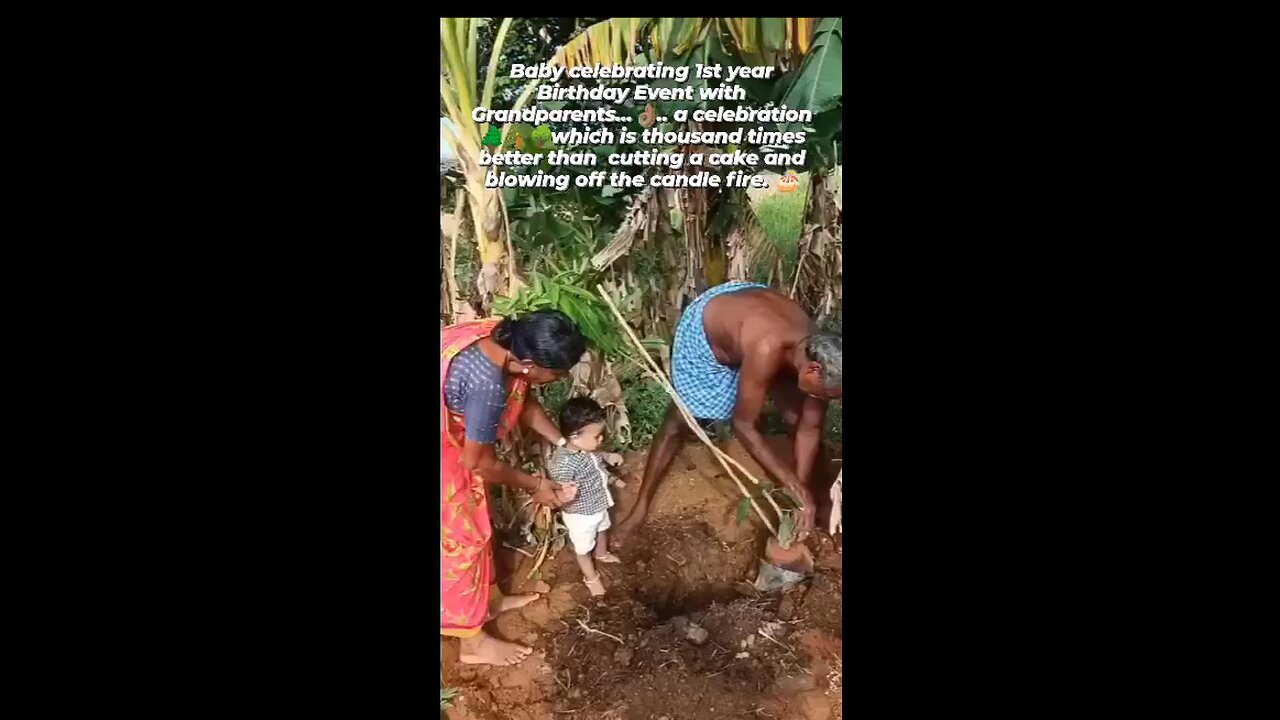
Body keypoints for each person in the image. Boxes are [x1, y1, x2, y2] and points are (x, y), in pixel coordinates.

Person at [613, 281, 842, 547]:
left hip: (753, 314)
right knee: (681, 419)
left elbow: (809, 428)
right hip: (712, 325)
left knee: (796, 416)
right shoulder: (768, 347)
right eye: (826, 395)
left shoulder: (822, 353)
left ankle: (818, 501)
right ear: (812, 370)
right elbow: (743, 425)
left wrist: (800, 493)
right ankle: (640, 508)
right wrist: (792, 485)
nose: (825, 400)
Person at [440, 310, 587, 666]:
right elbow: (481, 464)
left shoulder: (504, 333)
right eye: (557, 373)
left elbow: (523, 399)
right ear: (527, 364)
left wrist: (564, 443)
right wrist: (536, 485)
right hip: (448, 455)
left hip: (460, 444)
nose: (561, 378)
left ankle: (487, 602)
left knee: (478, 522)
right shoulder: (485, 387)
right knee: (461, 539)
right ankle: (471, 643)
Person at [547, 397, 626, 597]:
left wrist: (612, 474)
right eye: (597, 436)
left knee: (603, 529)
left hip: (599, 504)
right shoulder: (562, 465)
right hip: (581, 514)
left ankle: (601, 554)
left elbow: (598, 469)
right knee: (582, 548)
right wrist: (565, 496)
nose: (601, 440)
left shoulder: (589, 450)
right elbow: (555, 493)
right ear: (575, 436)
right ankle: (591, 578)